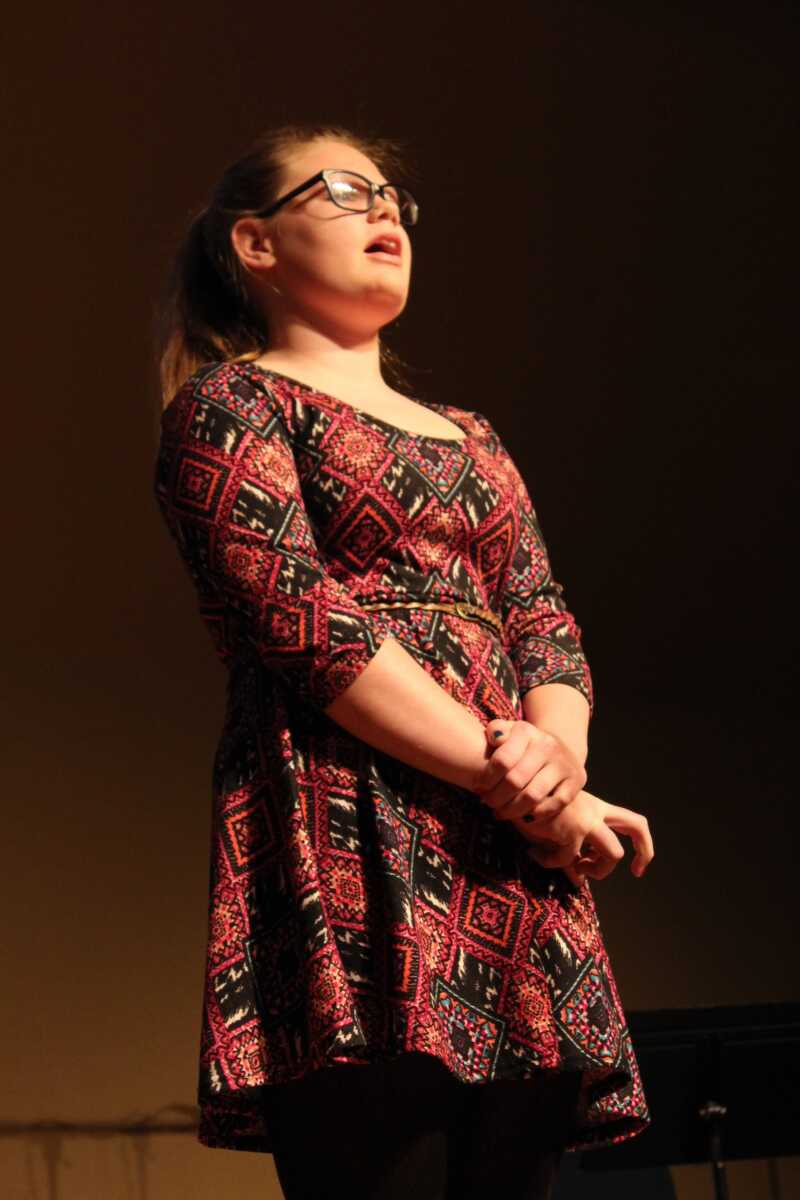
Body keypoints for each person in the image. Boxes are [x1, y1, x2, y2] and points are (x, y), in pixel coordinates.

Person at [152, 122, 654, 1200]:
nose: (383, 208)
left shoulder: (473, 436)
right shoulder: (233, 405)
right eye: (341, 191)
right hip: (348, 822)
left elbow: (540, 618)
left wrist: (555, 765)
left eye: (392, 196)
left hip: (508, 849)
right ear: (255, 242)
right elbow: (306, 622)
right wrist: (527, 783)